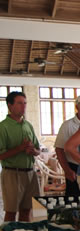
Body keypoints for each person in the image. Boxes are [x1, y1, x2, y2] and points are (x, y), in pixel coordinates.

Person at [0, 91, 40, 222]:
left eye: (25, 103)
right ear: (10, 106)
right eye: (19, 103)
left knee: (27, 210)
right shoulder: (3, 127)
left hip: (31, 173)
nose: (23, 107)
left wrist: (32, 150)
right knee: (11, 212)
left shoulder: (28, 125)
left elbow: (38, 150)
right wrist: (20, 148)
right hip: (12, 174)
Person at [54, 95, 80, 197]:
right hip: (74, 168)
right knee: (74, 199)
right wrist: (67, 170)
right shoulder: (67, 125)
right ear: (77, 107)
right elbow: (59, 149)